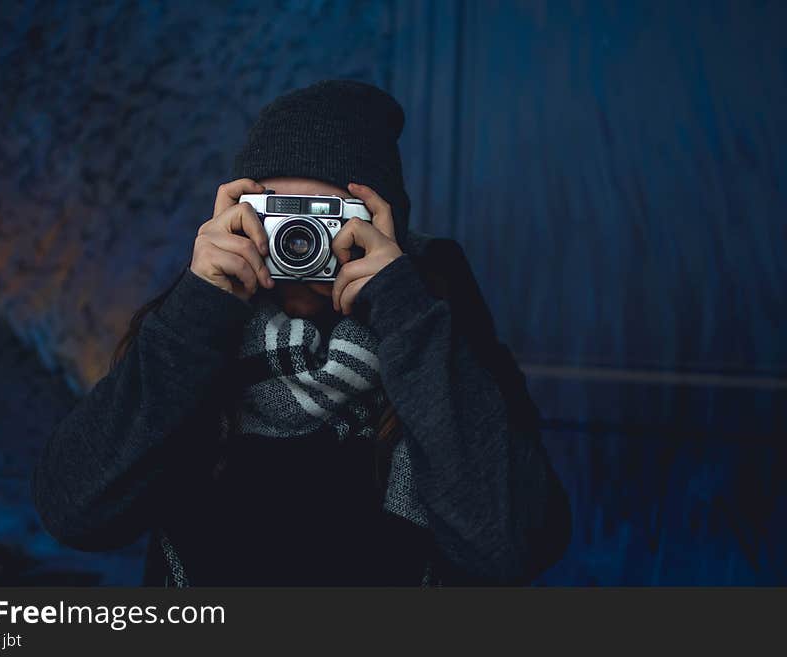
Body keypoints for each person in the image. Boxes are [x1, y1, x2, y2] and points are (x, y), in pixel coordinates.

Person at [31, 80, 572, 586]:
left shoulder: (434, 330)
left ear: (382, 229)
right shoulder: (193, 328)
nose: (296, 239)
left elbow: (514, 546)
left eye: (323, 217)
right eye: (275, 216)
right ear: (237, 216)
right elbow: (76, 513)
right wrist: (200, 306)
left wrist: (403, 309)